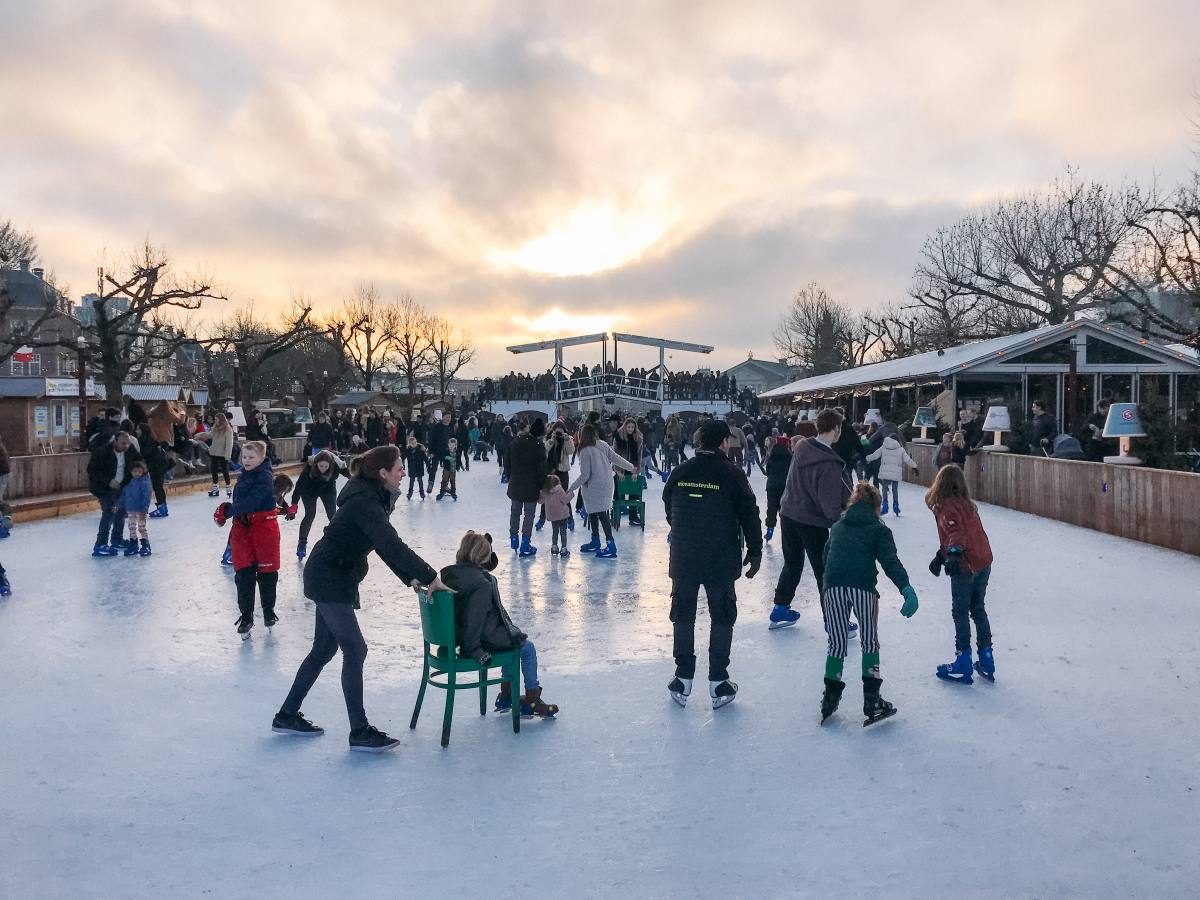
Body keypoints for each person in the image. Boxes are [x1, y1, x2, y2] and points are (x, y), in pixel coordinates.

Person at [274, 444, 449, 752]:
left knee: (324, 649)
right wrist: (429, 576)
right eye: (399, 468)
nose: (403, 472)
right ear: (382, 473)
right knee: (355, 649)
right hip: (329, 576)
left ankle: (287, 714)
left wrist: (414, 578)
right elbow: (390, 544)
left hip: (335, 574)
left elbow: (383, 546)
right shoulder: (365, 502)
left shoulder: (373, 495)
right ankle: (359, 731)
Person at [662, 419, 762, 710]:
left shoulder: (681, 471)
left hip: (684, 557)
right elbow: (749, 513)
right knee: (722, 616)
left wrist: (684, 529)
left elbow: (669, 505)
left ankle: (683, 677)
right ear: (723, 443)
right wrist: (755, 551)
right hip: (719, 557)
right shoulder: (731, 473)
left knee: (683, 615)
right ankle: (718, 681)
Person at [818, 482, 919, 726]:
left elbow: (825, 557)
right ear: (876, 505)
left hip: (832, 586)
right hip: (862, 587)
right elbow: (890, 561)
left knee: (837, 643)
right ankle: (872, 699)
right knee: (870, 641)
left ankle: (829, 698)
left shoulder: (838, 526)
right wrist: (906, 588)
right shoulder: (878, 529)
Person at [441, 531, 559, 717]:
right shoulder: (481, 584)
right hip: (480, 641)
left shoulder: (454, 576)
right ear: (481, 557)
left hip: (463, 637)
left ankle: (506, 696)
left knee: (512, 639)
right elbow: (474, 621)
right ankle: (532, 699)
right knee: (525, 647)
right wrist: (475, 651)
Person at [770, 409, 852, 631]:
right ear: (835, 429)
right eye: (840, 429)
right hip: (812, 522)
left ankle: (780, 608)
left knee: (793, 563)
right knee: (824, 570)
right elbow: (830, 506)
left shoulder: (801, 447)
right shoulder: (829, 464)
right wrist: (843, 522)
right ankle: (834, 619)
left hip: (789, 514)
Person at [926, 464, 996, 684]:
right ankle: (986, 658)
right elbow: (960, 533)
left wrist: (954, 555)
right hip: (983, 560)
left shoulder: (945, 506)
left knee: (960, 612)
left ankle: (963, 661)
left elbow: (956, 533)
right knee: (978, 609)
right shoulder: (967, 505)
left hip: (966, 566)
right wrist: (941, 555)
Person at [213, 441, 280, 638]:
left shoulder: (265, 477)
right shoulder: (245, 474)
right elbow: (242, 502)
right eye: (244, 457)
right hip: (243, 530)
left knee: (267, 574)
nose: (247, 461)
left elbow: (253, 502)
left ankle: (268, 612)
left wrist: (228, 511)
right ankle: (246, 617)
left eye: (251, 457)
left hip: (263, 529)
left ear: (261, 458)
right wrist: (229, 510)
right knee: (243, 574)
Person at [569, 423, 636, 559]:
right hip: (606, 484)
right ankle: (595, 541)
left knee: (600, 514)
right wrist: (630, 467)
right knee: (594, 512)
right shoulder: (603, 444)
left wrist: (571, 488)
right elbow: (616, 458)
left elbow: (585, 475)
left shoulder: (585, 450)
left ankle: (611, 545)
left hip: (594, 486)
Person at [87, 430, 141, 557]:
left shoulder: (129, 449)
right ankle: (100, 545)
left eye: (127, 443)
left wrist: (137, 471)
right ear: (115, 441)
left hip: (120, 487)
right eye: (123, 443)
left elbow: (140, 461)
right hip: (103, 487)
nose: (125, 446)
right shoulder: (103, 452)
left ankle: (117, 540)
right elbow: (92, 470)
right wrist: (108, 481)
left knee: (120, 512)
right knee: (110, 511)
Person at [290, 450, 348, 560]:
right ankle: (302, 543)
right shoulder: (309, 468)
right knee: (310, 515)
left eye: (326, 466)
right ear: (316, 464)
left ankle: (339, 540)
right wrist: (294, 505)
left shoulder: (337, 466)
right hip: (309, 491)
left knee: (332, 515)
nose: (323, 469)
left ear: (331, 465)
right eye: (321, 466)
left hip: (328, 489)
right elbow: (299, 487)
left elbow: (352, 477)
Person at [506, 418, 547, 557]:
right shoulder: (538, 446)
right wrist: (542, 487)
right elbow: (542, 470)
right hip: (532, 486)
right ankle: (525, 542)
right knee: (529, 515)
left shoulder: (515, 442)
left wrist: (510, 476)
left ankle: (513, 537)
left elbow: (507, 462)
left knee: (515, 512)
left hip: (516, 483)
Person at [866, 433, 918, 517]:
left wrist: (867, 458)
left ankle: (885, 505)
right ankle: (896, 506)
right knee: (894, 489)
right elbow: (907, 459)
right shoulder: (900, 449)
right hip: (895, 473)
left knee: (884, 488)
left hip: (885, 472)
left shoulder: (884, 446)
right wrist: (915, 466)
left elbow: (875, 455)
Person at [118, 459, 154, 557]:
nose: (137, 473)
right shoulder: (129, 482)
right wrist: (118, 505)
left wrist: (144, 509)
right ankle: (133, 544)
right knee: (131, 527)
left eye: (139, 471)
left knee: (142, 527)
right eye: (135, 471)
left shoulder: (144, 482)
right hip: (131, 509)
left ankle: (145, 545)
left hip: (141, 510)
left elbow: (146, 497)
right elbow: (124, 495)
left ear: (143, 471)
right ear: (131, 471)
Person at [763, 433, 792, 541]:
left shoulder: (772, 456)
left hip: (771, 486)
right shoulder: (789, 457)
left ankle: (770, 530)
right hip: (784, 486)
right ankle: (786, 530)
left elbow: (768, 471)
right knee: (784, 509)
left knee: (771, 508)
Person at [539, 474, 574, 558]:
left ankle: (554, 547)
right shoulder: (560, 490)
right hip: (562, 515)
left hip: (553, 516)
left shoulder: (546, 492)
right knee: (563, 532)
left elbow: (540, 501)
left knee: (555, 531)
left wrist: (539, 494)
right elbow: (565, 500)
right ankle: (564, 549)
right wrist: (571, 494)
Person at [206, 412, 235, 497]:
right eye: (215, 419)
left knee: (225, 471)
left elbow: (229, 443)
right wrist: (201, 435)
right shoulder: (215, 427)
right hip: (214, 452)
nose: (215, 421)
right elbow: (210, 435)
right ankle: (215, 489)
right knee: (213, 470)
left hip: (223, 454)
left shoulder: (228, 429)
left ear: (221, 419)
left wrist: (228, 455)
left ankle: (229, 489)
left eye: (216, 419)